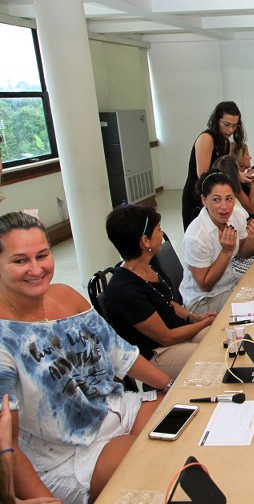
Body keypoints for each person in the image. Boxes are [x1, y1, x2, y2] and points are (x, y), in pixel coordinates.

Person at [0, 211, 171, 504]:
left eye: (42, 256)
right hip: (70, 454)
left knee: (186, 417)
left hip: (116, 408)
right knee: (153, 461)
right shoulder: (5, 338)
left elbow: (120, 354)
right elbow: (8, 445)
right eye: (20, 261)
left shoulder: (66, 296)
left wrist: (171, 387)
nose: (36, 269)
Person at [104, 205, 217, 379]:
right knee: (214, 355)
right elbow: (166, 337)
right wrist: (204, 323)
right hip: (156, 353)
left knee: (222, 336)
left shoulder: (148, 264)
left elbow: (166, 301)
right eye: (158, 230)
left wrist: (193, 317)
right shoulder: (125, 289)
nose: (162, 234)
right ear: (145, 241)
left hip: (177, 334)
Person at [180, 171, 254, 314]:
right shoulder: (196, 236)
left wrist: (251, 238)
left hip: (229, 284)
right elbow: (205, 285)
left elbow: (243, 254)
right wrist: (226, 252)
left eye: (229, 199)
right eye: (216, 200)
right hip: (204, 300)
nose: (224, 207)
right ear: (204, 200)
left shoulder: (236, 216)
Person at [181, 101, 245, 230]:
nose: (230, 130)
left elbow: (223, 170)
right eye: (226, 125)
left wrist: (241, 176)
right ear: (216, 121)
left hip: (213, 195)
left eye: (234, 126)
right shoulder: (206, 138)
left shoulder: (225, 142)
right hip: (197, 195)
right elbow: (203, 175)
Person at [214, 153, 254, 223]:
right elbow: (252, 210)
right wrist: (252, 182)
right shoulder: (233, 187)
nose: (250, 157)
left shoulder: (240, 181)